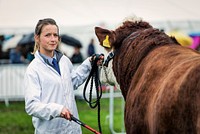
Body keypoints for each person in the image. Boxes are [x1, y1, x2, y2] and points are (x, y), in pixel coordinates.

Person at [24, 18, 103, 134]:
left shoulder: (64, 61)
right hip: (50, 131)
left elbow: (72, 82)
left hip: (73, 130)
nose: (53, 39)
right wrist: (57, 110)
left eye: (55, 35)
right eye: (48, 35)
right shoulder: (33, 70)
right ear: (37, 38)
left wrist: (90, 63)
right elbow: (31, 106)